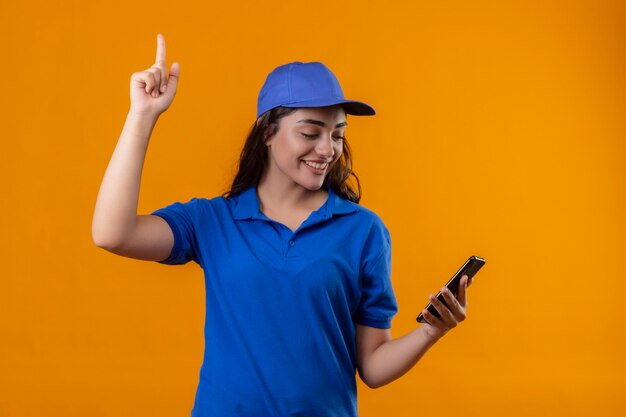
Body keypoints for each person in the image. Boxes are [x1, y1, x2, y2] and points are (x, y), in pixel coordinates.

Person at [92, 33, 473, 417]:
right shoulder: (212, 221)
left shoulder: (363, 232)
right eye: (310, 133)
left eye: (338, 134)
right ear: (267, 132)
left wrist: (431, 331)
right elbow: (112, 234)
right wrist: (141, 117)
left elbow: (372, 366)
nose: (327, 150)